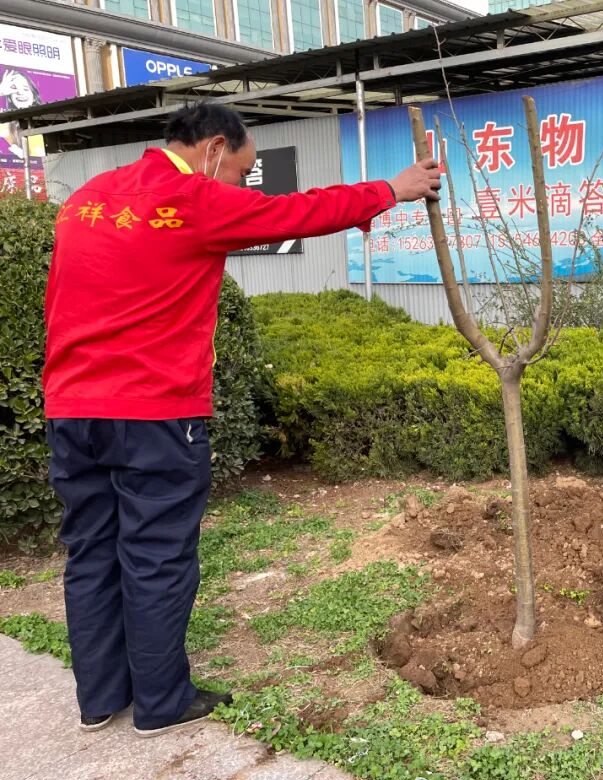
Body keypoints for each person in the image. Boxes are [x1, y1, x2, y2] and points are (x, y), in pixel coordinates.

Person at [44, 102, 441, 737]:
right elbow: (298, 212)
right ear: (211, 151)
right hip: (155, 411)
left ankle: (99, 699)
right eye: (242, 169)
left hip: (71, 408)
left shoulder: (89, 197)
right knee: (156, 555)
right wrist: (392, 189)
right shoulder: (192, 198)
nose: (239, 184)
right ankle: (161, 703)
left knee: (91, 552)